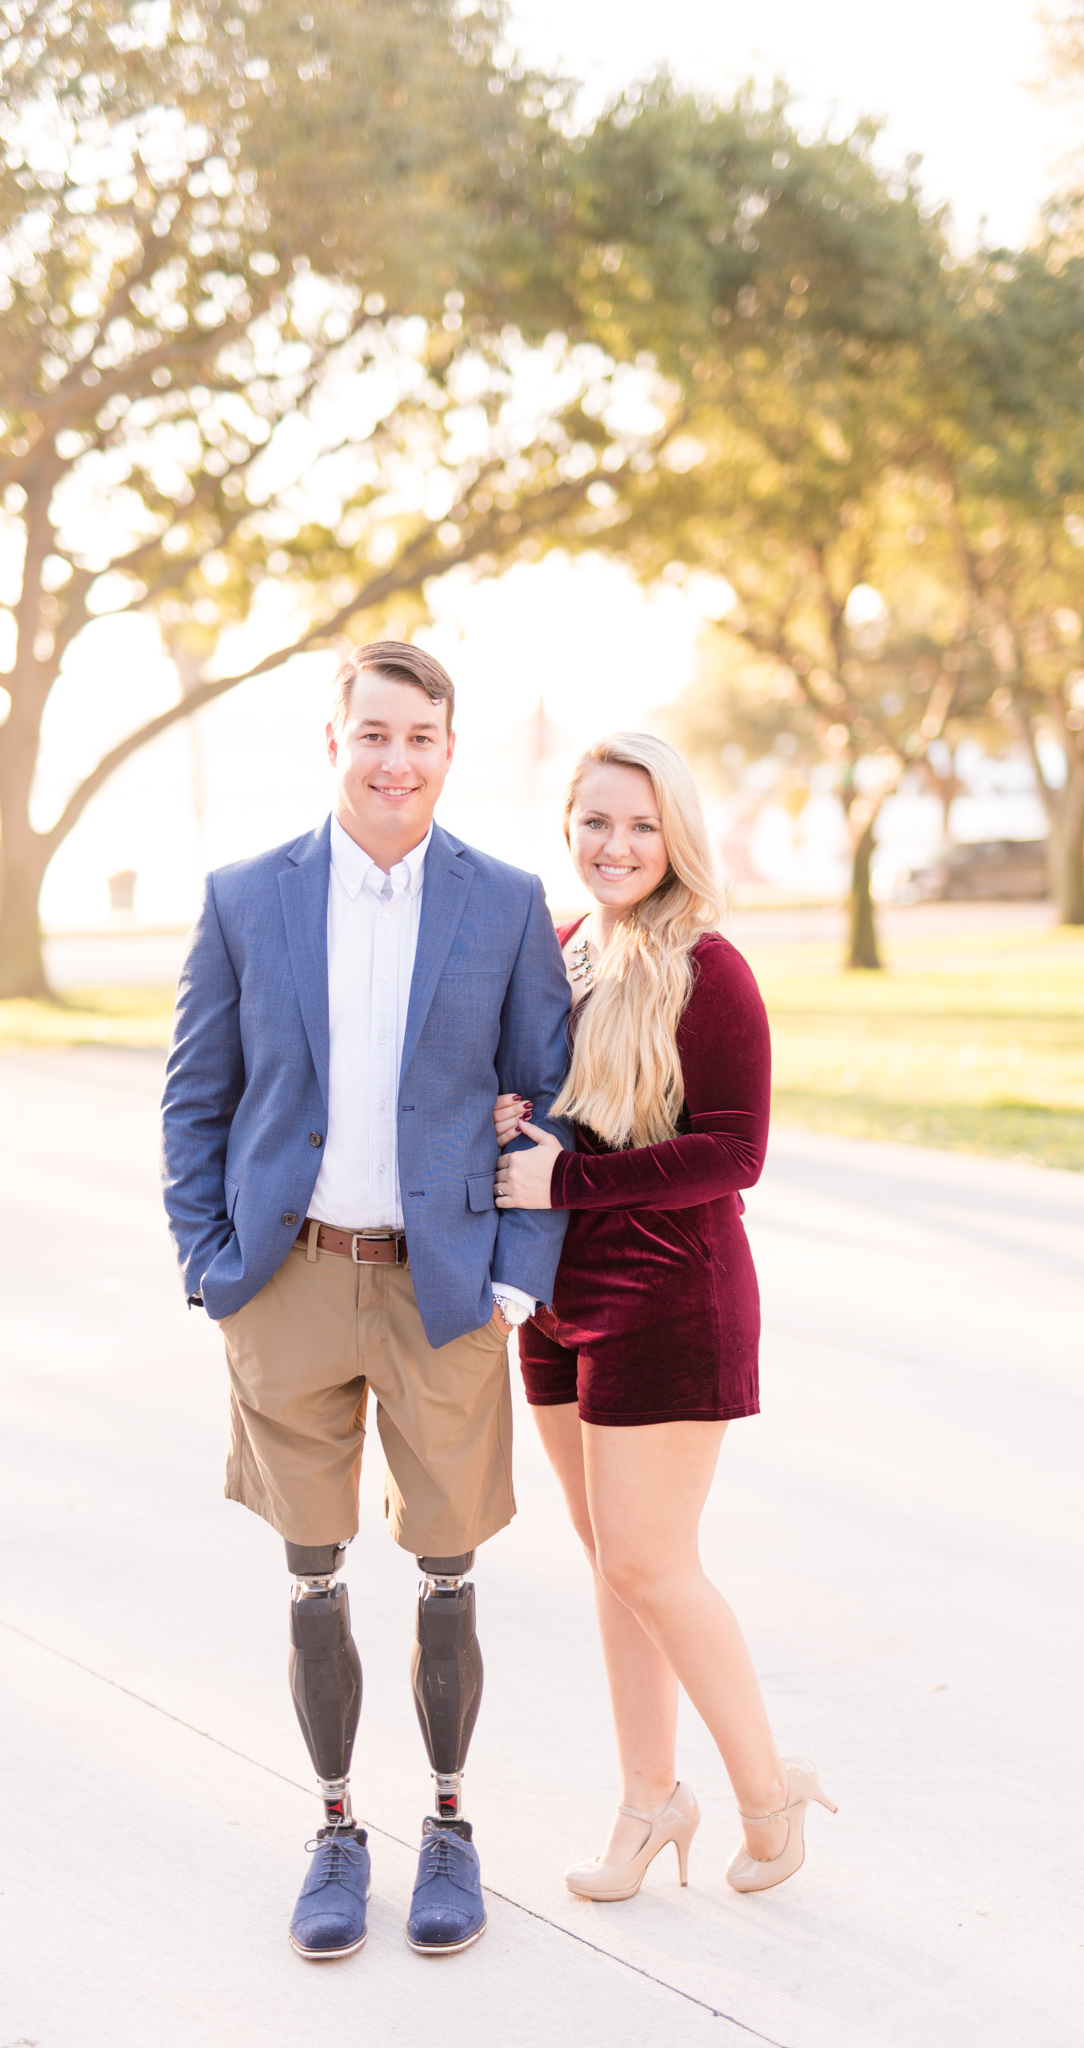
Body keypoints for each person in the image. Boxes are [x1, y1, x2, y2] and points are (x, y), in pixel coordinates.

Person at [160, 642, 571, 1961]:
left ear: (449, 753)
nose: (396, 761)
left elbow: (549, 1099)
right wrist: (209, 1264)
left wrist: (515, 1272)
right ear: (330, 742)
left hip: (440, 1290)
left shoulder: (504, 905)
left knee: (446, 1567)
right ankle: (336, 1830)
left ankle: (446, 1825)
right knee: (312, 1573)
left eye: (421, 739)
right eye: (373, 734)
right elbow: (195, 1096)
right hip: (283, 1286)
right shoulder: (242, 900)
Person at [493, 732, 835, 1901]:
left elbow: (733, 1149)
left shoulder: (709, 965)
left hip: (667, 1298)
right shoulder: (557, 949)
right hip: (554, 1301)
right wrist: (511, 1124)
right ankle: (650, 1800)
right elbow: (551, 1114)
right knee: (611, 1566)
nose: (615, 844)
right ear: (568, 828)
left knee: (650, 1557)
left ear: (673, 834)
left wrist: (565, 1180)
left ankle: (765, 1790)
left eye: (638, 824)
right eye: (594, 820)